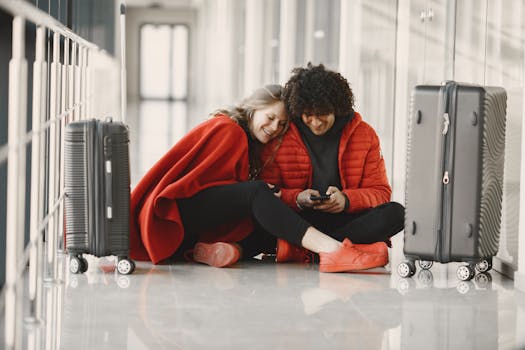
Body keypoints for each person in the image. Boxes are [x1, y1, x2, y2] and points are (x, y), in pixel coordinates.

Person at [129, 84, 388, 273]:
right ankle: (332, 251)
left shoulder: (248, 141)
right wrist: (255, 191)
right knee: (255, 194)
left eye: (282, 124)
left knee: (263, 206)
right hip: (175, 214)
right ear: (253, 109)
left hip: (189, 226)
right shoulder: (229, 129)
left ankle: (228, 249)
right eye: (271, 117)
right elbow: (197, 182)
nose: (275, 127)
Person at [259, 63, 405, 264]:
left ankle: (309, 251)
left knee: (396, 213)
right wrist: (298, 199)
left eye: (322, 114)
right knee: (257, 218)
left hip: (345, 219)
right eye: (308, 115)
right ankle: (344, 249)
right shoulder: (282, 133)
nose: (315, 122)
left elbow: (380, 193)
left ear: (337, 109)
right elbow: (267, 193)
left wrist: (346, 201)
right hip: (299, 221)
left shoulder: (365, 134)